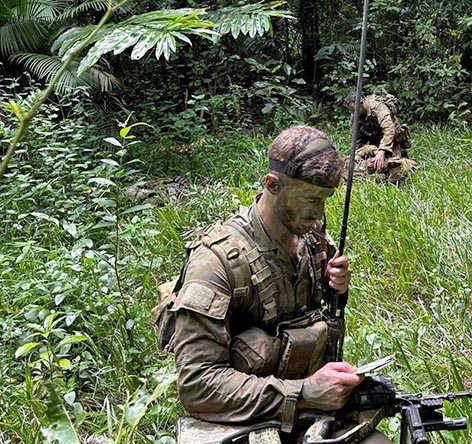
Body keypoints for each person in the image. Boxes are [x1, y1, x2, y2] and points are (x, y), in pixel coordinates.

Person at [167, 125, 389, 443]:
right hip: (243, 422)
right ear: (273, 184)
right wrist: (303, 393)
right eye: (310, 200)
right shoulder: (216, 263)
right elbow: (197, 385)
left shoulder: (312, 241)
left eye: (326, 200)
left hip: (310, 417)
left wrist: (335, 289)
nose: (318, 214)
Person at [343, 92, 417, 184]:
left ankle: (408, 165)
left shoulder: (378, 107)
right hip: (373, 138)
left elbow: (389, 130)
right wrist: (358, 156)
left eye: (354, 110)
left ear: (362, 103)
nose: (353, 113)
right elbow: (356, 137)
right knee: (372, 165)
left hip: (392, 139)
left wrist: (382, 151)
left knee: (396, 167)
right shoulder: (355, 114)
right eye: (351, 111)